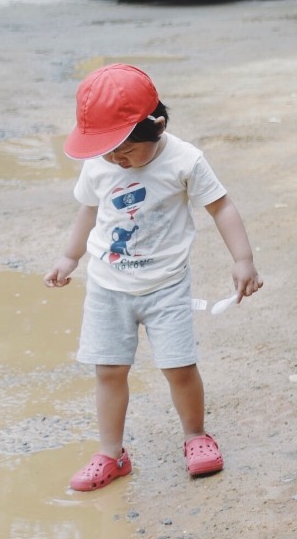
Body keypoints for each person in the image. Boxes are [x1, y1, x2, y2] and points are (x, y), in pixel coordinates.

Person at [45, 64, 262, 491]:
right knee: (108, 371)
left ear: (157, 127)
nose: (114, 158)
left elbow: (221, 207)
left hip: (166, 287)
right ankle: (111, 453)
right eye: (106, 148)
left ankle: (196, 436)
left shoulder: (185, 160)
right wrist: (69, 258)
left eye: (123, 148)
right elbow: (88, 210)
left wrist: (243, 260)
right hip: (108, 288)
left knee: (179, 368)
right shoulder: (99, 165)